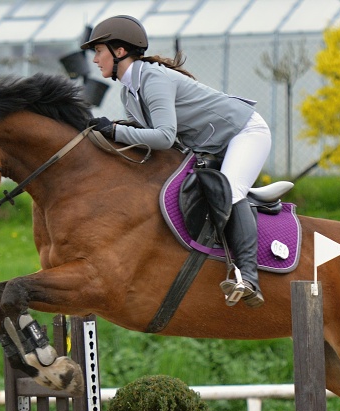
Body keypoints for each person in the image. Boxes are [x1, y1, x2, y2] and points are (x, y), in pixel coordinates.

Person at [81, 15, 272, 308]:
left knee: (231, 191)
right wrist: (109, 130)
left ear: (119, 51)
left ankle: (248, 278)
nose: (95, 60)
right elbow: (147, 136)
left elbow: (164, 136)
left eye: (98, 51)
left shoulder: (153, 78)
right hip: (213, 144)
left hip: (244, 131)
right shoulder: (128, 92)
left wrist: (115, 130)